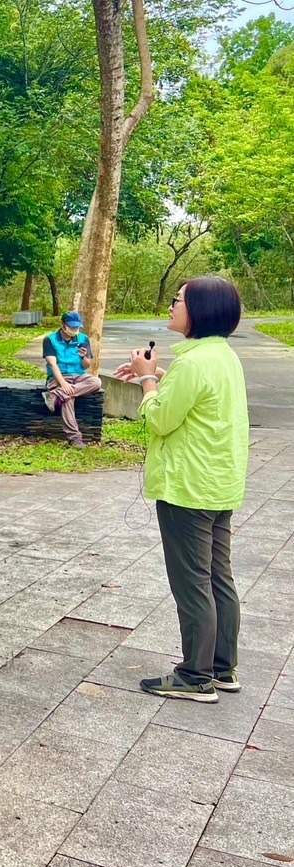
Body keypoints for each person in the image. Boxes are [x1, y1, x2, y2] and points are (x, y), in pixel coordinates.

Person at [116, 277, 248, 703]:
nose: (172, 306)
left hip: (187, 487)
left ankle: (195, 676)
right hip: (219, 483)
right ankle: (221, 668)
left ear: (200, 310)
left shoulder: (194, 363)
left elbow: (160, 419)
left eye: (179, 300)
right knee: (218, 578)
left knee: (192, 582)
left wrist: (148, 385)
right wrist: (153, 374)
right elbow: (197, 394)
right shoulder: (221, 356)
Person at [42, 311, 103, 448]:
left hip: (79, 375)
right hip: (58, 376)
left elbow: (87, 365)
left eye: (77, 327)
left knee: (96, 382)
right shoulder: (50, 340)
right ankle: (75, 438)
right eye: (71, 327)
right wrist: (63, 384)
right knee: (68, 398)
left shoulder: (83, 339)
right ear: (63, 325)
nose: (74, 330)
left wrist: (84, 357)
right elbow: (52, 364)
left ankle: (55, 395)